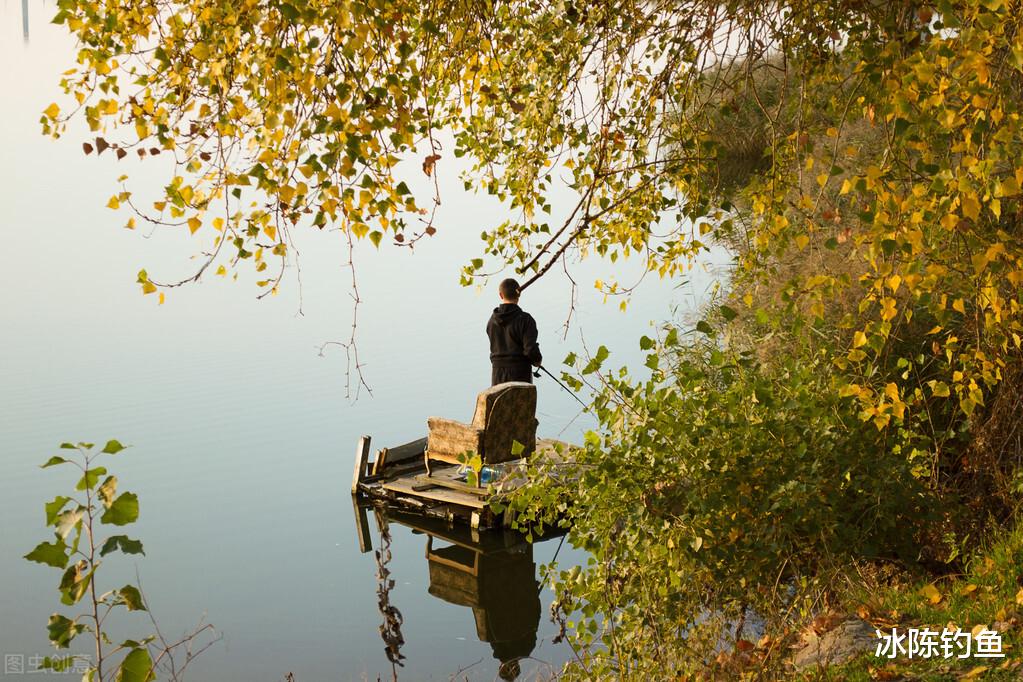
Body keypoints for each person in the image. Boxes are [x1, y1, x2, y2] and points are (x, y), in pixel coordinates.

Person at [487, 278, 542, 386]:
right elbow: (530, 350)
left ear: (501, 295)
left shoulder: (492, 321)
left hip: (497, 374)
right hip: (520, 374)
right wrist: (537, 361)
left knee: (500, 402)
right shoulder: (526, 320)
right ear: (519, 294)